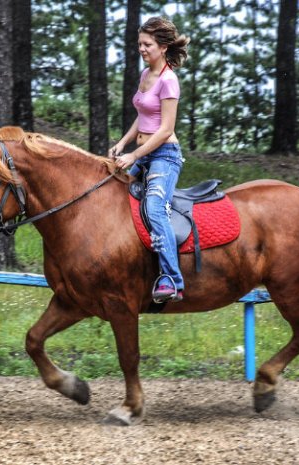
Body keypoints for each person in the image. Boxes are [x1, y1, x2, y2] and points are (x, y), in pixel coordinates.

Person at [109, 17, 190, 303]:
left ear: (163, 47)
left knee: (155, 207)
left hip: (164, 156)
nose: (142, 49)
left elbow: (165, 129)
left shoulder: (169, 80)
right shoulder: (146, 75)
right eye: (140, 44)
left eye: (147, 44)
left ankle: (172, 279)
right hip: (143, 153)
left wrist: (133, 155)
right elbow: (143, 117)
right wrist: (122, 143)